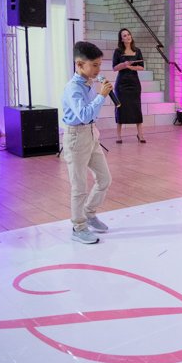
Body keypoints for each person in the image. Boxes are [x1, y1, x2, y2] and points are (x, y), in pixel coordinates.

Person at [61, 41, 114, 244]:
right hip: (76, 136)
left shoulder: (89, 83)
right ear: (80, 64)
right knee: (79, 187)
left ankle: (89, 213)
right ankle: (79, 227)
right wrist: (101, 96)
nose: (98, 70)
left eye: (100, 65)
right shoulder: (72, 88)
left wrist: (99, 96)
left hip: (91, 134)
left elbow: (90, 115)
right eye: (94, 65)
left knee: (104, 179)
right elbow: (83, 114)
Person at [112, 28, 146, 143]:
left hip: (134, 83)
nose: (128, 37)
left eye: (129, 34)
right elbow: (114, 68)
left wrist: (132, 67)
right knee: (120, 108)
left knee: (137, 107)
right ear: (121, 39)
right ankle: (118, 135)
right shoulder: (117, 51)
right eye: (125, 35)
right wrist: (123, 64)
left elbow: (141, 67)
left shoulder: (137, 51)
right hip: (122, 84)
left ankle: (140, 134)